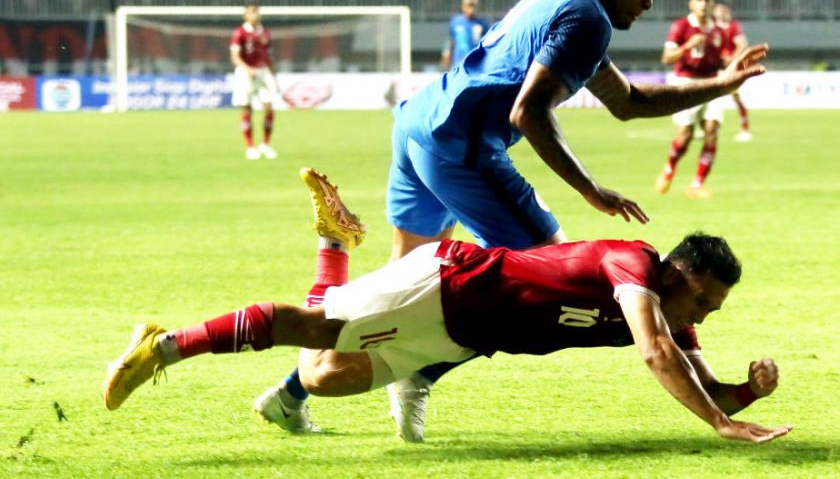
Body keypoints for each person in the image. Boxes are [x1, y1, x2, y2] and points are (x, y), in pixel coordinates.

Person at [255, 0, 769, 440]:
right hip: (463, 147)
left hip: (420, 126)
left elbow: (628, 101)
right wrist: (590, 189)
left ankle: (289, 394)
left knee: (395, 292)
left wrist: (723, 83)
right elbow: (529, 113)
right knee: (543, 289)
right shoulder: (587, 18)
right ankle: (418, 373)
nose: (649, 0)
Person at [102, 168, 792, 445]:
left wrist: (742, 395)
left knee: (321, 377)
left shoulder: (677, 315)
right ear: (677, 272)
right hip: (449, 283)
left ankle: (333, 242)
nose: (704, 313)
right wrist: (715, 425)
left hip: (461, 337)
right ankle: (160, 347)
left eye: (714, 307)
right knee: (311, 328)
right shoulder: (631, 265)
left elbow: (712, 392)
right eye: (703, 297)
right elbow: (654, 353)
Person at [654, 0, 732, 199]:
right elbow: (667, 58)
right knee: (686, 134)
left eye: (708, 0)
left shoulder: (719, 31)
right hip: (686, 83)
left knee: (712, 130)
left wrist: (732, 62)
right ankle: (669, 168)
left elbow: (722, 59)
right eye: (699, 0)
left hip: (712, 83)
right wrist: (688, 45)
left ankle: (697, 184)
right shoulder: (681, 26)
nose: (704, 4)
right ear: (691, 3)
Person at [230, 3, 279, 160]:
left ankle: (265, 144)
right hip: (246, 73)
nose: (255, 15)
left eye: (256, 12)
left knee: (269, 107)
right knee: (247, 110)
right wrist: (247, 68)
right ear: (245, 16)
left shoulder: (265, 32)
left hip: (264, 72)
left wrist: (274, 75)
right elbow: (235, 57)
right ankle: (250, 146)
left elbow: (269, 56)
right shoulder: (240, 33)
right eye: (251, 13)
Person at [713, 3, 753, 142]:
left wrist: (732, 60)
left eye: (724, 10)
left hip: (730, 69)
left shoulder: (733, 27)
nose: (722, 12)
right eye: (719, 10)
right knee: (707, 98)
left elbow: (742, 45)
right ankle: (705, 128)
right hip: (714, 68)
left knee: (736, 97)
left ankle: (745, 129)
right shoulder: (712, 27)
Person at [440, 0, 490, 71]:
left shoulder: (482, 24)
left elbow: (487, 45)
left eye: (473, 5)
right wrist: (446, 59)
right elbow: (451, 42)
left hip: (476, 65)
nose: (471, 8)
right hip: (459, 64)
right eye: (469, 5)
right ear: (463, 7)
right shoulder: (455, 22)